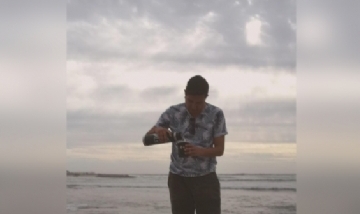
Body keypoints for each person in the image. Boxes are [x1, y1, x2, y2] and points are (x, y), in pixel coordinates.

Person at [145, 75, 228, 214]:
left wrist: (198, 151)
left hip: (206, 179)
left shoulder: (216, 114)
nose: (194, 106)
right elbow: (146, 139)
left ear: (206, 98)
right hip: (178, 180)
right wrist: (159, 132)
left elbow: (220, 150)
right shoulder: (173, 112)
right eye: (190, 101)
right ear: (185, 94)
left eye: (199, 103)